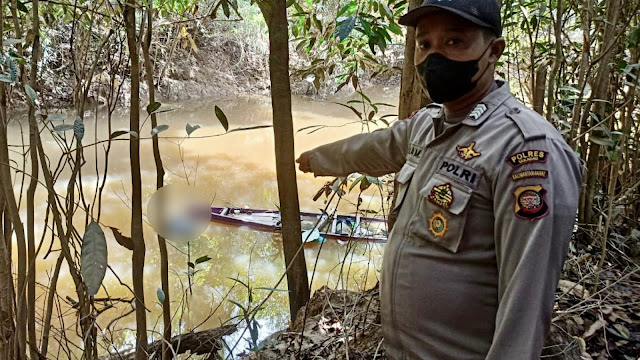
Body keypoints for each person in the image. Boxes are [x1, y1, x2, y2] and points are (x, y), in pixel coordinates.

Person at [296, 0, 585, 359]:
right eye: (425, 44)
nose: (434, 57)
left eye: (454, 42)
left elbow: (525, 304)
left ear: (493, 51)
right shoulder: (430, 124)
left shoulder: (525, 149)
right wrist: (317, 159)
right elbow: (376, 147)